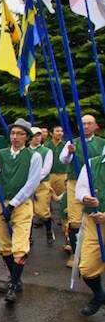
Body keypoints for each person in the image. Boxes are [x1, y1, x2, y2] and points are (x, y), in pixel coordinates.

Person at [0, 118, 43, 303]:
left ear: (27, 137)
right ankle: (15, 278)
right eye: (13, 133)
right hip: (0, 201)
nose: (15, 137)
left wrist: (13, 203)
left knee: (20, 246)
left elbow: (32, 183)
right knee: (5, 246)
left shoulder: (34, 156)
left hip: (21, 204)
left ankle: (13, 285)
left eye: (20, 134)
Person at [59, 114, 105, 267]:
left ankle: (94, 251)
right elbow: (63, 160)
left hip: (97, 183)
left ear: (95, 126)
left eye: (89, 123)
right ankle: (74, 252)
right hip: (75, 182)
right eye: (83, 124)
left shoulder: (102, 143)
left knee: (95, 216)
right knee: (75, 220)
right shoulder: (72, 143)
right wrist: (69, 152)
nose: (86, 126)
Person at [77, 156, 105, 316]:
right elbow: (81, 188)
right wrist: (85, 198)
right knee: (87, 268)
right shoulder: (92, 163)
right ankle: (99, 295)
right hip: (93, 222)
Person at [29, 127, 55, 244]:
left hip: (41, 184)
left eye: (39, 135)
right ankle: (27, 237)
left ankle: (49, 230)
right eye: (34, 135)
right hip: (27, 186)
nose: (37, 138)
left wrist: (33, 179)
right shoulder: (25, 151)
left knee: (42, 212)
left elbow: (46, 169)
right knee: (27, 212)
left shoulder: (46, 151)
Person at [46, 125, 68, 197]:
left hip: (62, 174)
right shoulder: (46, 146)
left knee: (61, 197)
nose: (60, 133)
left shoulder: (66, 145)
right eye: (57, 131)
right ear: (51, 133)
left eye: (61, 131)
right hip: (49, 175)